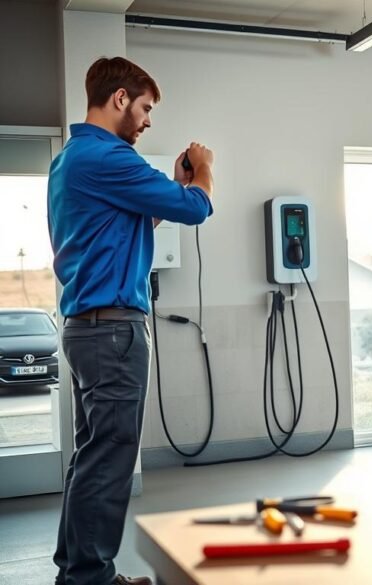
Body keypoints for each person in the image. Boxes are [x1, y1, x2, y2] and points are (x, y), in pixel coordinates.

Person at [48, 56, 214, 585]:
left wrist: (167, 187)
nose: (147, 120)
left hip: (86, 328)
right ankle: (88, 579)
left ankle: (81, 572)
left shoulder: (74, 158)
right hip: (113, 330)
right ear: (119, 99)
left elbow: (133, 215)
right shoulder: (109, 157)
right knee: (109, 461)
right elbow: (196, 208)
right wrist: (203, 173)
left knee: (91, 458)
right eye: (144, 108)